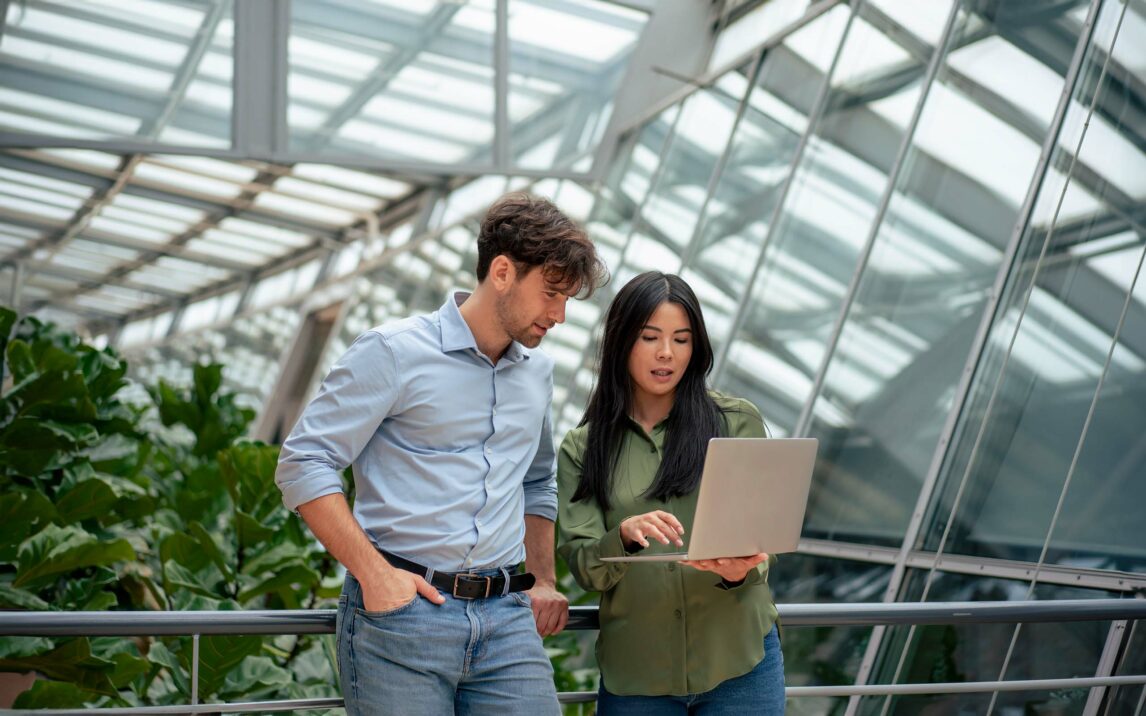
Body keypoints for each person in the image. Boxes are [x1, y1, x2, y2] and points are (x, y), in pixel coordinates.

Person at [275, 192, 608, 715]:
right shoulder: (392, 352)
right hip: (403, 616)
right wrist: (376, 576)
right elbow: (303, 463)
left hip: (507, 621)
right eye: (550, 294)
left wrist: (542, 579)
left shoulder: (537, 373)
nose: (560, 315)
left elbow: (536, 481)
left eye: (566, 300)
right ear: (502, 272)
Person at [557, 271, 785, 715]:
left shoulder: (736, 423)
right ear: (622, 341)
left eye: (681, 339)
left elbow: (764, 541)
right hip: (638, 678)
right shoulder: (582, 448)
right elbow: (585, 568)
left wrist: (742, 568)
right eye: (649, 337)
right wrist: (622, 536)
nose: (666, 354)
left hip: (739, 665)